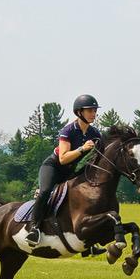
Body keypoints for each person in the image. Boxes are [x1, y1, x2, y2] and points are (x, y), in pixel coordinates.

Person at [28, 94, 102, 237]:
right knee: (45, 192)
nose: (94, 114)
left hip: (70, 170)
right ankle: (34, 228)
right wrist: (82, 148)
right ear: (79, 112)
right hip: (53, 167)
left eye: (95, 111)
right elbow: (62, 158)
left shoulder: (94, 133)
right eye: (90, 110)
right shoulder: (68, 131)